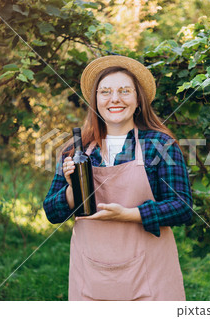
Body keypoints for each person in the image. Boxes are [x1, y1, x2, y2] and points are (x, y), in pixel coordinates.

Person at [43, 55, 193, 301]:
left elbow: (182, 207)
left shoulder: (159, 145)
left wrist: (129, 215)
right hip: (89, 279)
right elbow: (52, 212)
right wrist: (71, 190)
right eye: (105, 92)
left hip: (150, 277)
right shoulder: (75, 150)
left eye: (124, 91)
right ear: (96, 101)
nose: (115, 99)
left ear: (138, 100)